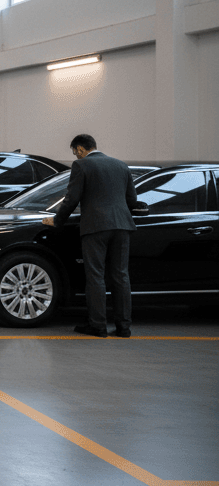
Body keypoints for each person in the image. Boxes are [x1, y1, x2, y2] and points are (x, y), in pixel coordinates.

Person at [43, 134, 138, 337]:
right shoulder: (121, 165)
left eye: (75, 152)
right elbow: (132, 199)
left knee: (95, 276)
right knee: (121, 275)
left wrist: (57, 220)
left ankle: (98, 326)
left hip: (95, 226)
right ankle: (124, 327)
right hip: (122, 226)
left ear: (79, 149)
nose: (76, 157)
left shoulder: (82, 166)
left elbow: (71, 199)